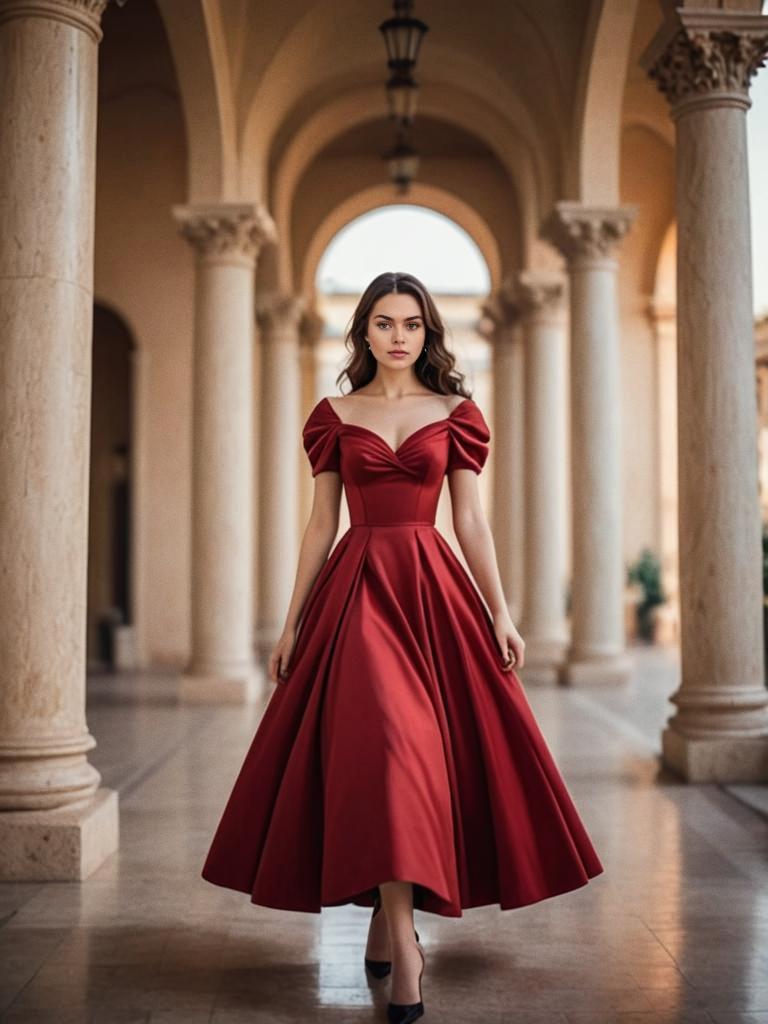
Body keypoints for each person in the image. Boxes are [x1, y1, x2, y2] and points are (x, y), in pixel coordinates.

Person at [201, 271, 604, 1023]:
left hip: (430, 589)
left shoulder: (457, 412)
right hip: (356, 594)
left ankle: (393, 920)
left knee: (422, 756)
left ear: (427, 332)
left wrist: (502, 613)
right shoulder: (333, 415)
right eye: (383, 323)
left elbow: (471, 523)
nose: (398, 336)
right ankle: (407, 946)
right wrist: (291, 623)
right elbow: (322, 523)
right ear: (362, 331)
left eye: (412, 324)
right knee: (386, 750)